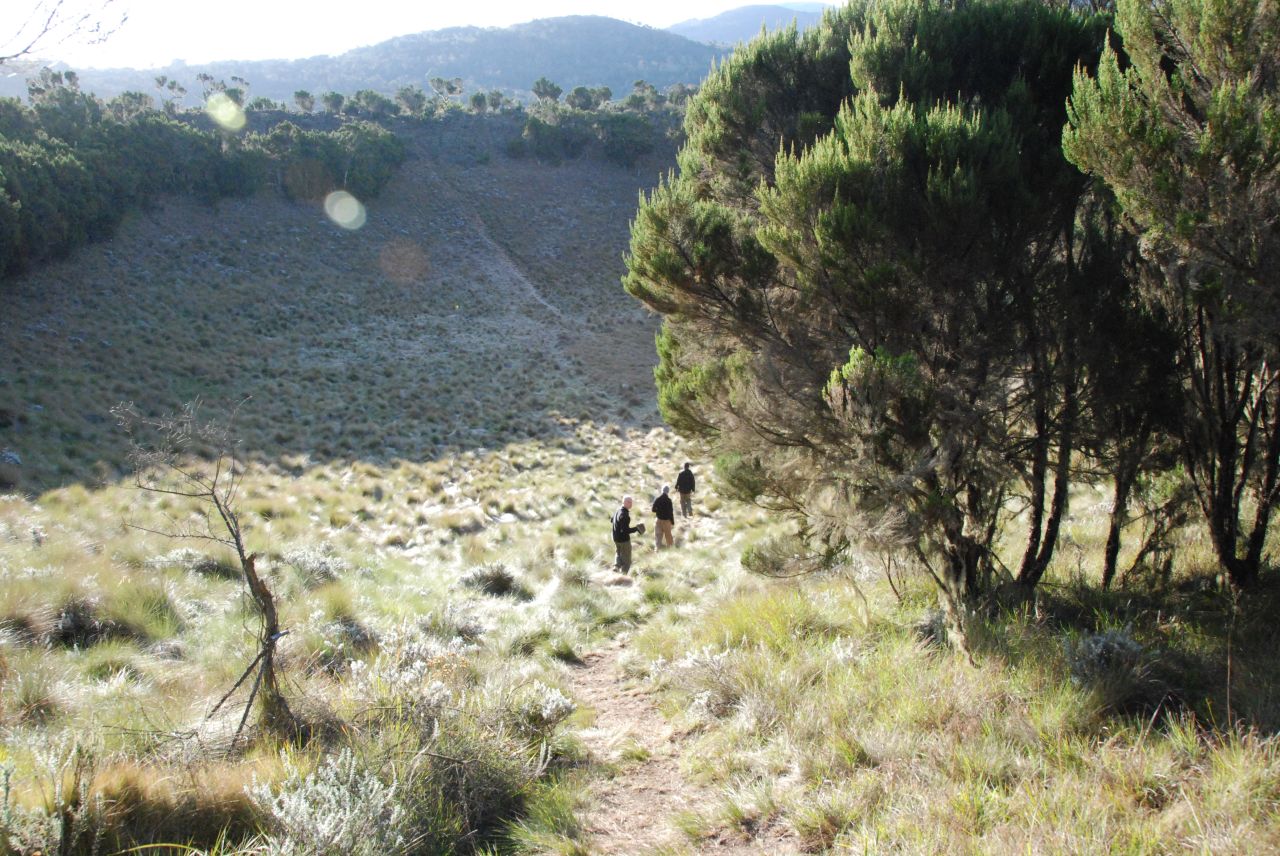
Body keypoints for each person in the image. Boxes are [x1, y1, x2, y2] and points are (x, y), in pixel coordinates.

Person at [611, 496, 643, 574]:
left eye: (631, 502)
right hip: (623, 540)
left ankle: (616, 566)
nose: (631, 504)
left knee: (618, 552)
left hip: (615, 537)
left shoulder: (617, 511)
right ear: (624, 502)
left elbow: (612, 520)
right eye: (629, 502)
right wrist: (636, 529)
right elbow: (625, 530)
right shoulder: (624, 515)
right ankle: (623, 575)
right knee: (627, 560)